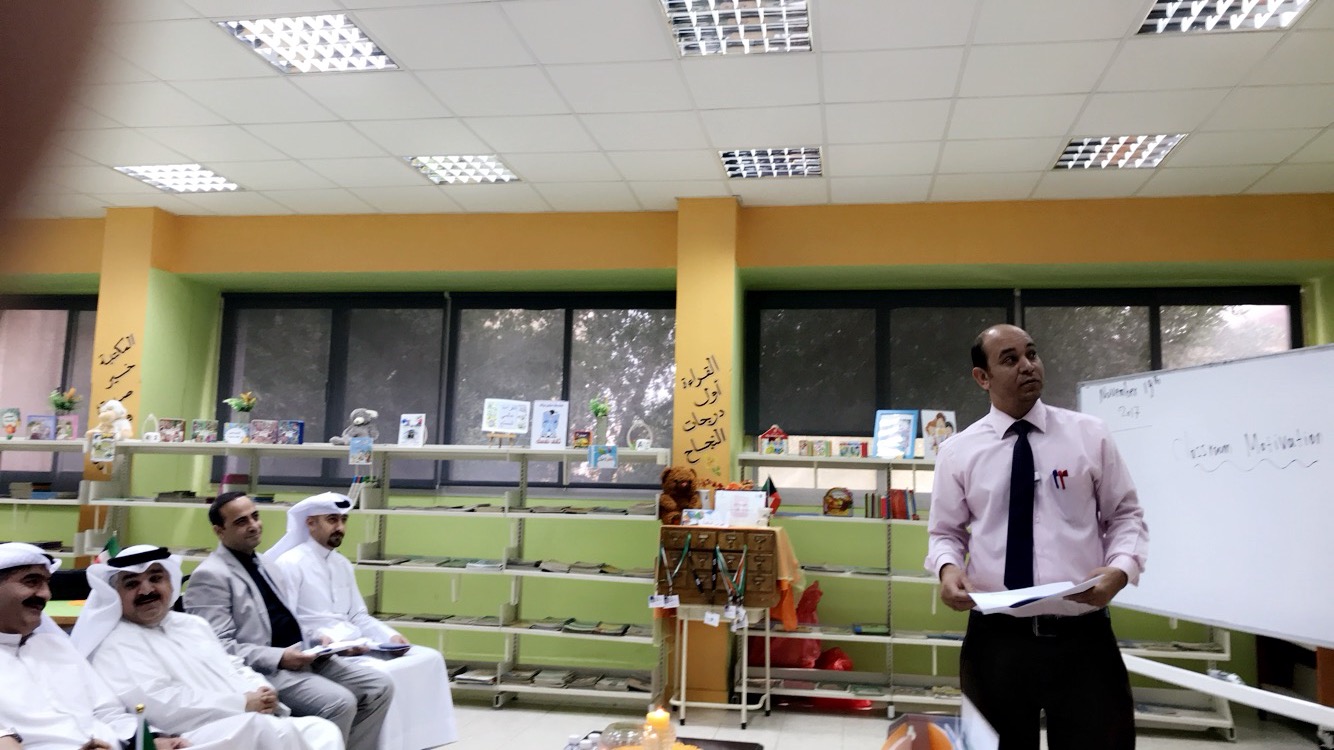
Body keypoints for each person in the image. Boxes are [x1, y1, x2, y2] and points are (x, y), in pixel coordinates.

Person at [925, 324, 1149, 750]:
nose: (1028, 366)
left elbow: (1125, 516)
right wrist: (948, 569)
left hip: (1083, 638)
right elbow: (945, 532)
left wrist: (1120, 571)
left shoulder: (1090, 435)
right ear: (982, 378)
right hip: (996, 643)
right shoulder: (958, 451)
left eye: (1032, 354)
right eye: (1010, 359)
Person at [69, 545, 344, 750]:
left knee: (321, 730)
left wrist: (262, 690)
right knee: (261, 729)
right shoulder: (114, 642)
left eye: (155, 579)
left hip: (238, 718)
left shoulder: (192, 624)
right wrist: (241, 703)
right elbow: (159, 704)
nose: (146, 590)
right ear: (114, 594)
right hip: (184, 734)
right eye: (132, 584)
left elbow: (233, 666)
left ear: (170, 582)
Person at [183, 493, 393, 750]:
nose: (253, 525)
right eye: (241, 521)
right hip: (264, 670)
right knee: (339, 703)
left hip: (304, 655)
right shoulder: (210, 576)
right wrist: (280, 657)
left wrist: (318, 640)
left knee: (379, 686)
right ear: (219, 530)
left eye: (255, 517)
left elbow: (285, 619)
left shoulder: (266, 563)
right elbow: (217, 648)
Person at [268, 493, 458, 750]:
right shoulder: (290, 563)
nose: (340, 527)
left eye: (343, 520)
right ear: (310, 523)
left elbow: (358, 615)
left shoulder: (341, 563)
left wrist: (389, 636)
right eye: (332, 520)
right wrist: (326, 641)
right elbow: (286, 622)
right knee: (383, 676)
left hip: (357, 643)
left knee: (429, 658)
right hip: (322, 651)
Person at [0, 542, 192, 750]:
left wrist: (150, 739)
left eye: (46, 583)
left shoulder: (55, 645)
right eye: (32, 582)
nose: (45, 594)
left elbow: (108, 712)